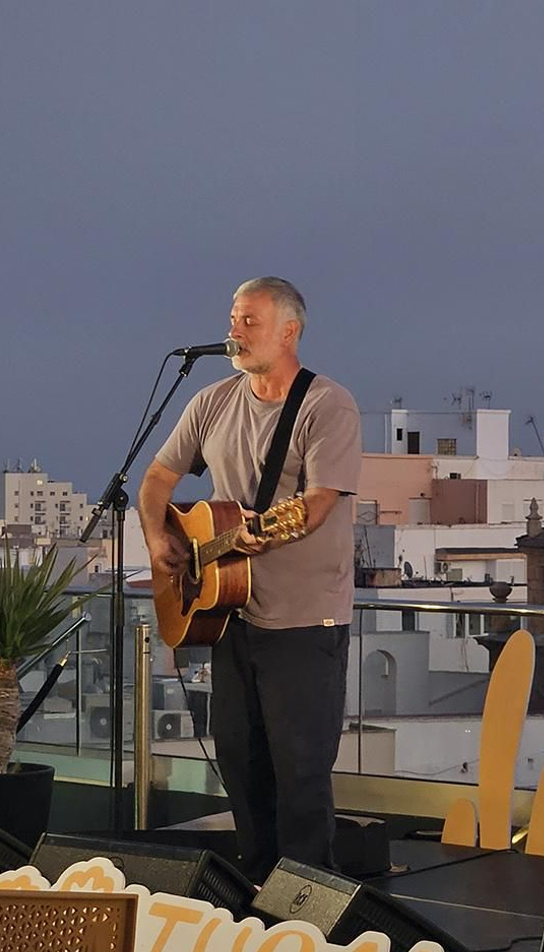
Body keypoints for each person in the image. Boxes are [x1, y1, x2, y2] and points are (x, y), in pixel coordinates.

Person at [139, 277, 361, 880]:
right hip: (230, 614)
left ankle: (310, 915)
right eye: (233, 319)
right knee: (239, 761)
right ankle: (258, 902)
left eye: (249, 321)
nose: (233, 331)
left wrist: (275, 530)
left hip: (303, 619)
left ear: (288, 331)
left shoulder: (327, 404)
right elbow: (157, 481)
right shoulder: (212, 400)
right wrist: (161, 538)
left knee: (301, 774)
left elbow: (315, 504)